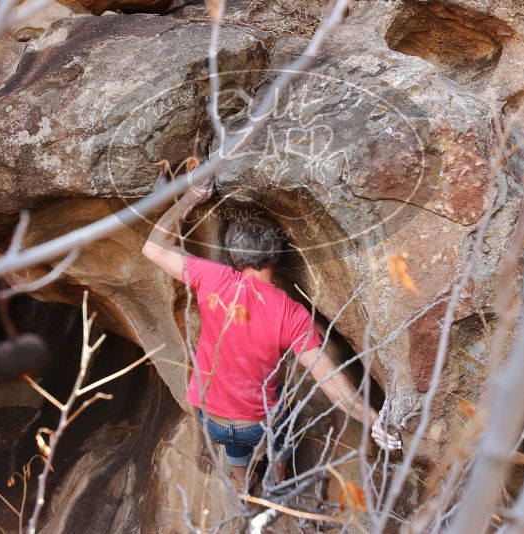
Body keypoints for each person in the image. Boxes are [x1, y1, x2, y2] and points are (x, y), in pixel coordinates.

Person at [142, 176, 401, 493]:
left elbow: (153, 248)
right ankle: (277, 473)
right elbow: (333, 385)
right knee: (282, 413)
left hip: (210, 415)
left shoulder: (212, 278)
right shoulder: (291, 314)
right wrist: (373, 420)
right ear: (276, 257)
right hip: (257, 422)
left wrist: (190, 199)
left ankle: (242, 483)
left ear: (235, 258)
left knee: (233, 442)